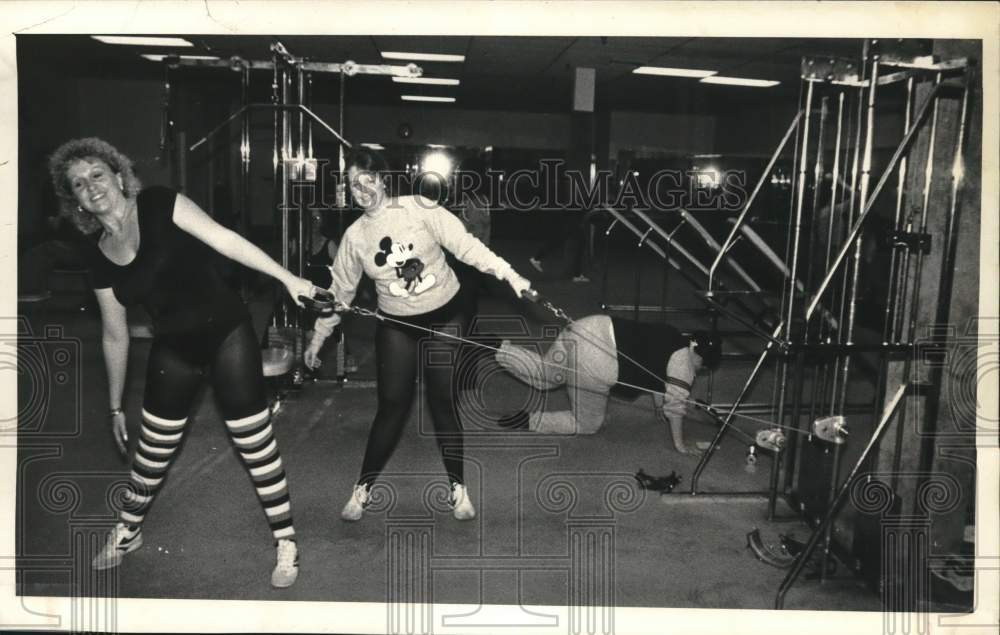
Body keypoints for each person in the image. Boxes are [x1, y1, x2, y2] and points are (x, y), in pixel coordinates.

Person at [50, 137, 316, 588]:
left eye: (97, 174)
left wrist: (287, 278)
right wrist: (114, 406)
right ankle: (128, 531)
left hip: (227, 333)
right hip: (174, 347)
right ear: (75, 200)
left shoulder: (159, 203)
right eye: (78, 183)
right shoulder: (98, 257)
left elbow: (224, 238)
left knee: (254, 442)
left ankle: (286, 540)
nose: (91, 186)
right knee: (152, 452)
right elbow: (114, 334)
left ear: (119, 176)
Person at [303, 148, 532, 522]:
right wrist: (318, 338)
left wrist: (510, 274)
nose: (362, 190)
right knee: (392, 405)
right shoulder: (354, 237)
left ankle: (457, 489)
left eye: (368, 180)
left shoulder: (419, 207)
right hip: (397, 324)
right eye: (354, 184)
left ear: (382, 180)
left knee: (443, 400)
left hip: (446, 316)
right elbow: (340, 293)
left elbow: (466, 245)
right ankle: (363, 489)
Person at [490, 314, 722, 455]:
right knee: (588, 424)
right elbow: (676, 406)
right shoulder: (685, 365)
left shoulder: (673, 335)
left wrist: (658, 405)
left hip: (586, 327)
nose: (698, 370)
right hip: (597, 358)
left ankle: (497, 349)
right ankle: (528, 420)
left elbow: (658, 371)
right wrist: (680, 444)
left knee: (546, 374)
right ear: (699, 357)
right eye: (702, 367)